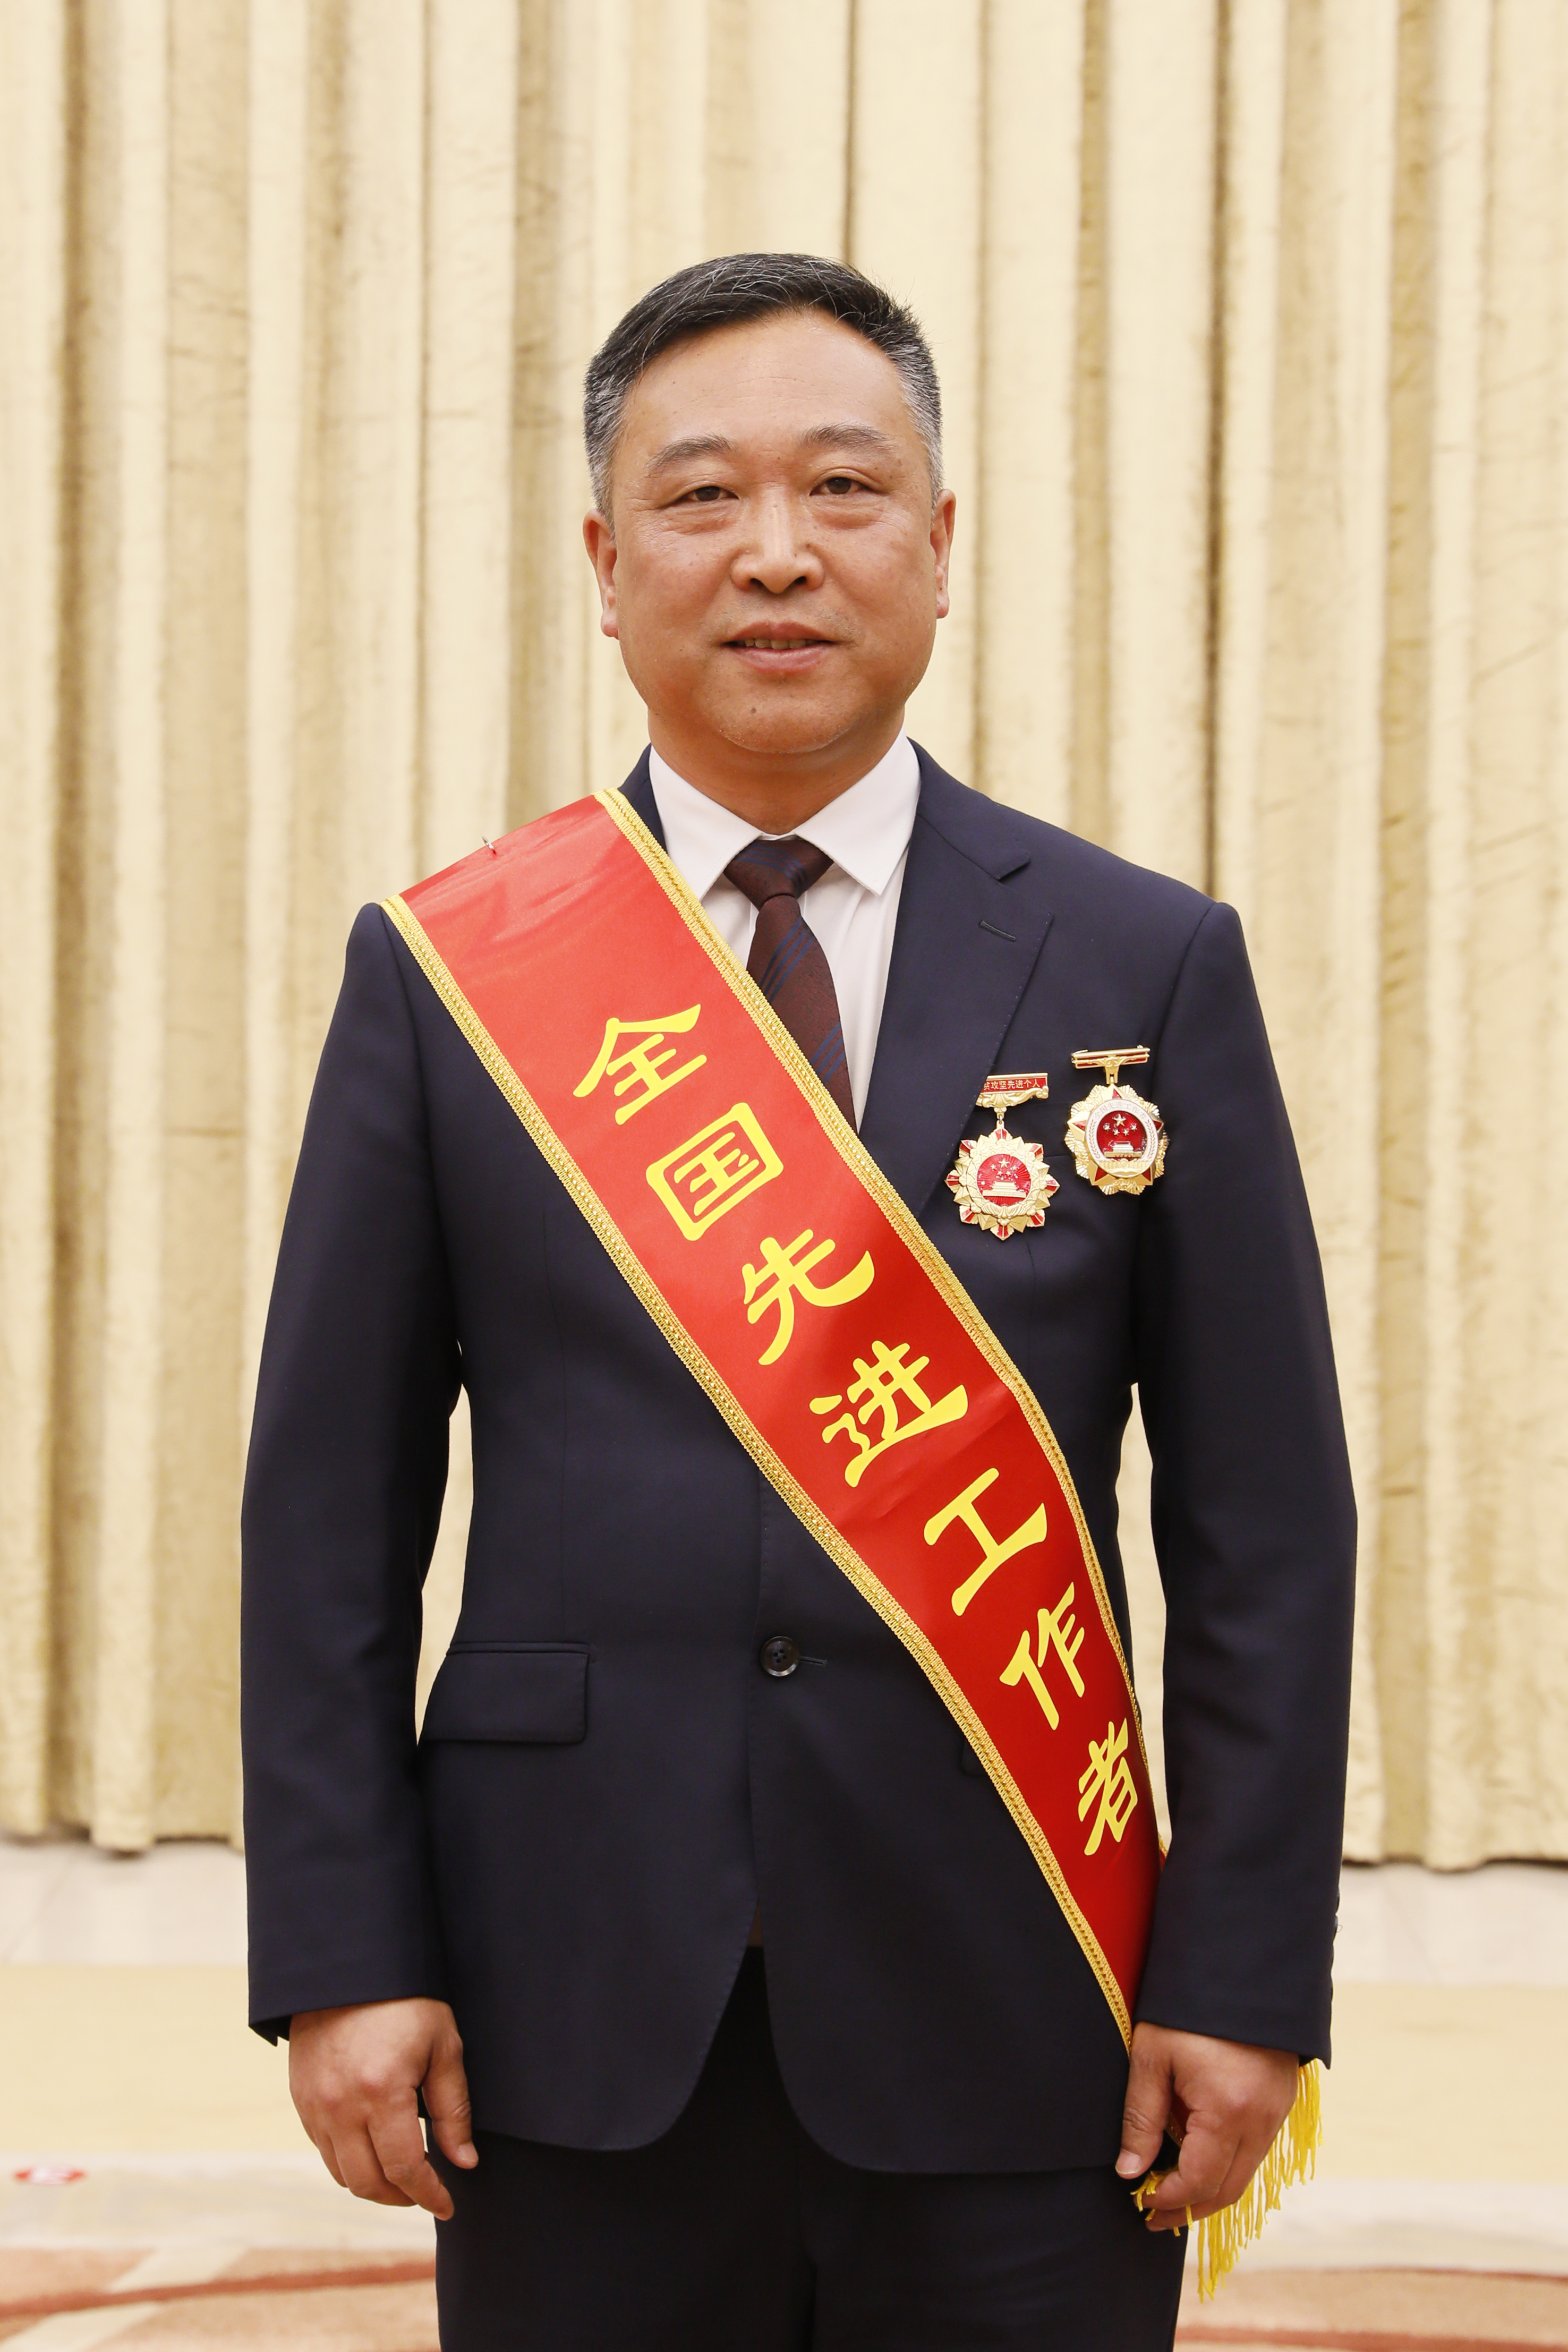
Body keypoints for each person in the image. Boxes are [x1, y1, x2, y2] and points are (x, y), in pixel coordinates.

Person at [242, 253, 1356, 2351]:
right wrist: (340, 1948)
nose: (775, 552)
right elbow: (325, 1518)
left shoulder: (1141, 961)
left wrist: (1242, 1969)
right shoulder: (453, 973)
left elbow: (1267, 1528)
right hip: (562, 1988)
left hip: (1026, 1975)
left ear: (939, 545)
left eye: (845, 488)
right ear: (606, 565)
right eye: (701, 497)